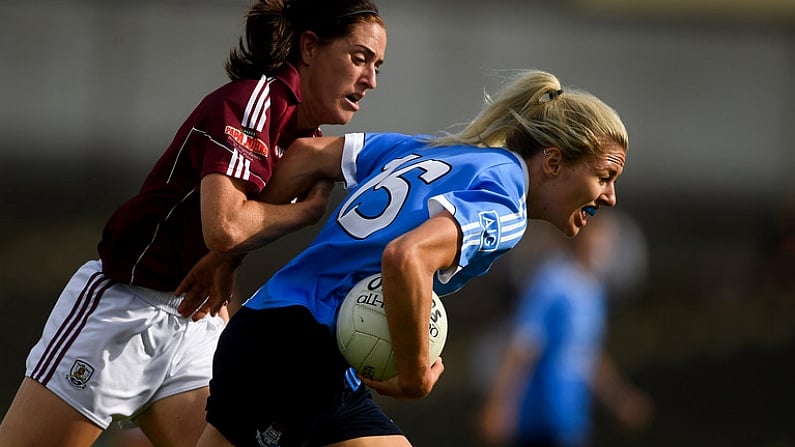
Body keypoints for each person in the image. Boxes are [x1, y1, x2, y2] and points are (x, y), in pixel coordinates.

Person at [0, 1, 386, 446]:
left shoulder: (306, 142)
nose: (370, 80)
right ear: (310, 47)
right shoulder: (254, 102)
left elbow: (227, 246)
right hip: (123, 313)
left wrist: (228, 279)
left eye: (377, 66)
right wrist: (306, 211)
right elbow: (223, 228)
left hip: (195, 325)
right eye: (359, 58)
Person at [178, 68, 631, 447]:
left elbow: (306, 156)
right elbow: (407, 258)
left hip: (280, 331)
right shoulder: (506, 208)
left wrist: (230, 255)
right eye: (604, 176)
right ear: (552, 162)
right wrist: (414, 377)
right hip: (303, 349)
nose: (610, 196)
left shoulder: (439, 151)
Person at [475, 212, 654, 447]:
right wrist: (499, 404)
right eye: (600, 236)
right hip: (539, 419)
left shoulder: (593, 291)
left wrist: (618, 398)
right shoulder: (551, 281)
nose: (606, 246)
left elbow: (586, 354)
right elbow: (523, 345)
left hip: (570, 420)